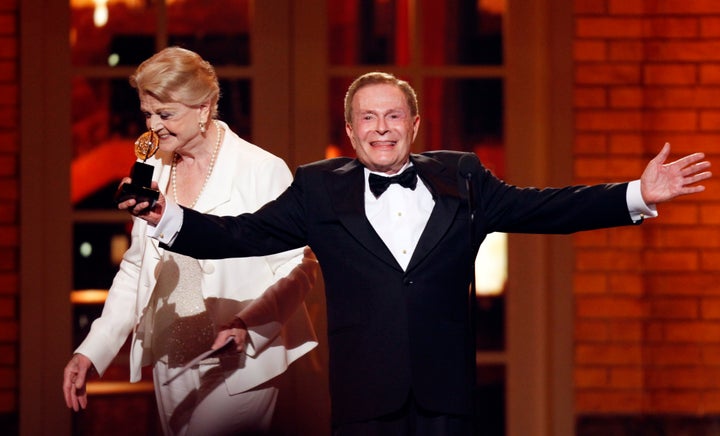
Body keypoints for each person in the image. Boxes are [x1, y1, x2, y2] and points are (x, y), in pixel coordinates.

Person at [120, 71, 712, 435]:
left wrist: (635, 194)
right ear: (351, 133)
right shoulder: (318, 187)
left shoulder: (465, 178)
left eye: (393, 116)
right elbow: (240, 236)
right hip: (362, 398)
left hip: (445, 396)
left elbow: (543, 209)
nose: (382, 128)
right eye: (368, 118)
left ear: (415, 124)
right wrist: (164, 215)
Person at [62, 46, 319, 435]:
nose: (154, 125)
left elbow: (302, 268)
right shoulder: (156, 171)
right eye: (148, 113)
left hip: (239, 360)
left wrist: (249, 325)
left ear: (204, 108)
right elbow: (135, 269)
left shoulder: (260, 170)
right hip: (170, 358)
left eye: (166, 114)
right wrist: (92, 350)